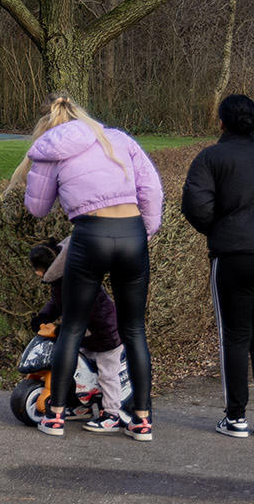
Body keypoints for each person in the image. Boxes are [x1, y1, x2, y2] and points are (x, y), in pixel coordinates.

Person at [12, 92, 164, 440]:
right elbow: (151, 188)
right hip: (132, 235)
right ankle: (141, 419)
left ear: (49, 125)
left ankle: (55, 416)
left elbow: (36, 208)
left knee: (73, 327)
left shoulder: (51, 150)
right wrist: (146, 231)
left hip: (90, 235)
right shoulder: (118, 138)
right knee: (134, 331)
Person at [181, 93, 254, 438]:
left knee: (235, 336)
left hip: (232, 257)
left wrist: (221, 229)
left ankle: (235, 417)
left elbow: (195, 206)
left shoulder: (210, 157)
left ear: (221, 122)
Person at [29, 240, 129, 429]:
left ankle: (112, 414)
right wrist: (43, 316)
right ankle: (80, 405)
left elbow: (86, 312)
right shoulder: (60, 280)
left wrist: (63, 330)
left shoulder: (75, 280)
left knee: (107, 373)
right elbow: (57, 303)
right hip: (86, 333)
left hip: (106, 333)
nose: (36, 273)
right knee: (74, 365)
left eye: (38, 269)